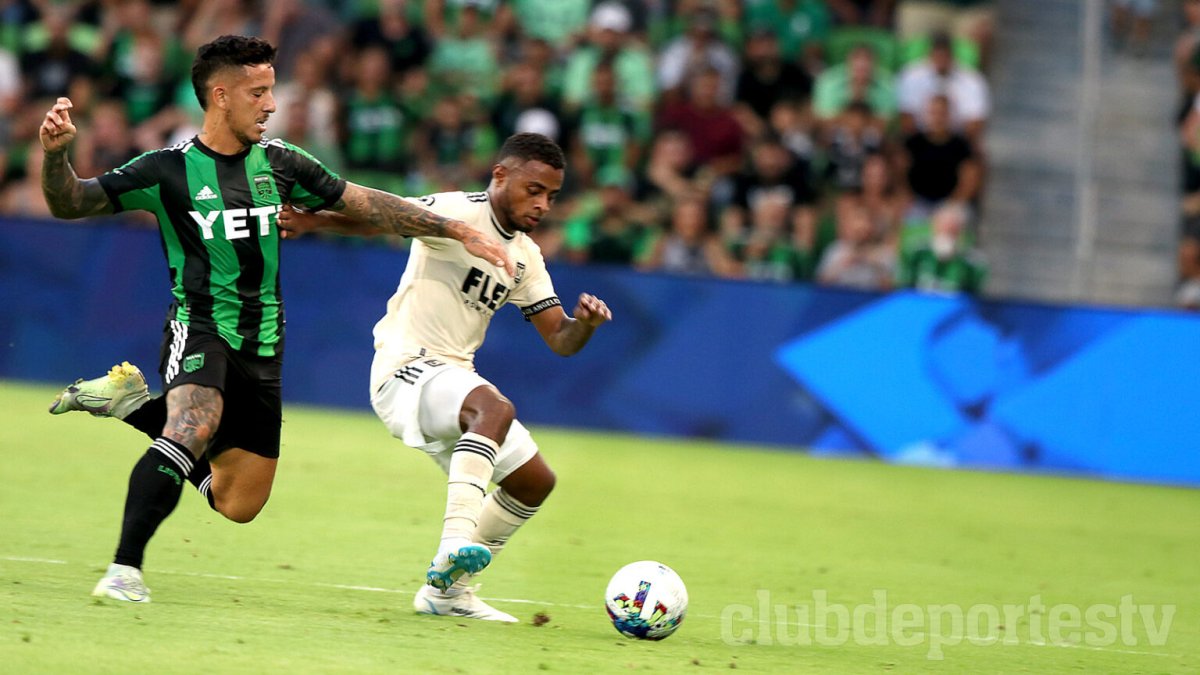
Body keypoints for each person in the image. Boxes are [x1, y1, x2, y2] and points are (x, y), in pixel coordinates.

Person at [39, 35, 512, 604]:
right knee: (194, 424)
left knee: (238, 504)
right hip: (201, 326)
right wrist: (54, 155)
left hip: (264, 344)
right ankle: (123, 571)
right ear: (220, 96)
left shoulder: (283, 162)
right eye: (257, 92)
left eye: (270, 90)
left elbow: (366, 203)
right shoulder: (165, 171)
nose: (270, 103)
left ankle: (132, 404)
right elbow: (71, 203)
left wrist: (460, 230)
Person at [276, 132, 612, 623]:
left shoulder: (527, 257)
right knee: (494, 408)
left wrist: (584, 324)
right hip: (404, 365)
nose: (542, 205)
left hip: (452, 378)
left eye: (551, 196)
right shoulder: (457, 212)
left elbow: (559, 338)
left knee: (534, 482)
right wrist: (314, 221)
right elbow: (382, 217)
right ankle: (454, 544)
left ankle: (447, 593)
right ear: (500, 175)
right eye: (533, 190)